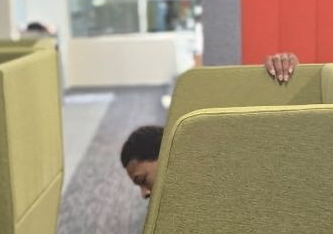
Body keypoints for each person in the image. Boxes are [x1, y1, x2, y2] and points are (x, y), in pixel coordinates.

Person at [114, 54, 300, 201]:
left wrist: (284, 67)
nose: (144, 194)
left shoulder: (221, 159)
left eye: (142, 180)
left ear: (163, 154)